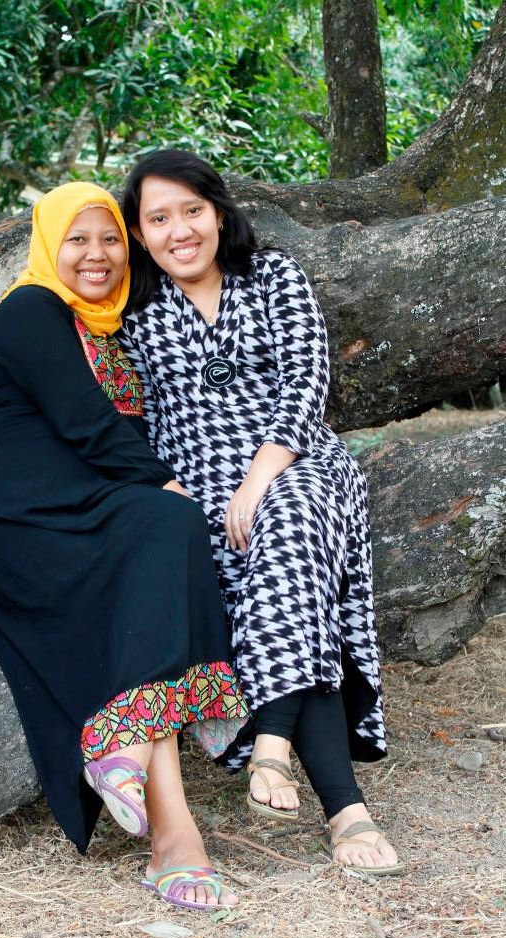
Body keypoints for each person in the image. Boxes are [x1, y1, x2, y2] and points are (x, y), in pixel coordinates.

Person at [0, 181, 249, 910]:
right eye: (77, 239)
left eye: (111, 238)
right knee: (170, 519)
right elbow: (85, 422)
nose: (96, 254)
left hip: (85, 512)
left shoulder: (109, 328)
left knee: (164, 537)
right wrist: (168, 485)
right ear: (49, 244)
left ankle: (143, 777)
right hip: (15, 524)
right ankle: (173, 833)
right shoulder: (31, 308)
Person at [120, 150, 405, 876]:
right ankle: (345, 811)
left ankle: (271, 740)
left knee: (289, 521)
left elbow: (308, 379)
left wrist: (257, 481)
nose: (180, 230)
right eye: (159, 219)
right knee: (290, 589)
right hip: (199, 492)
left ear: (218, 213)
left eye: (191, 211)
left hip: (297, 462)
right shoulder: (135, 314)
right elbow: (132, 421)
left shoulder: (273, 276)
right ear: (141, 234)